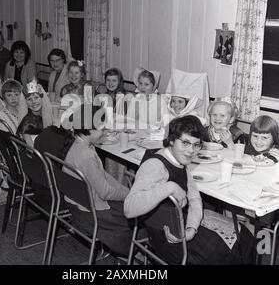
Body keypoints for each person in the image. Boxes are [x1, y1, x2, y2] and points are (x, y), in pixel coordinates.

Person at [124, 115, 254, 264]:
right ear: (171, 140)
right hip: (169, 241)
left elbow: (194, 198)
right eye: (185, 143)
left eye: (196, 144)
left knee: (243, 235)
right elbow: (129, 208)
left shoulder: (178, 160)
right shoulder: (155, 165)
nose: (191, 150)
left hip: (180, 228)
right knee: (231, 248)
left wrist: (192, 228)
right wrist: (169, 187)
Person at [60, 109, 133, 257]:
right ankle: (130, 252)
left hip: (78, 203)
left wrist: (127, 191)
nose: (104, 132)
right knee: (137, 218)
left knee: (126, 198)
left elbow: (103, 175)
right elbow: (105, 192)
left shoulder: (79, 143)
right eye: (102, 129)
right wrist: (130, 196)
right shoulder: (86, 155)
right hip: (90, 211)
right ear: (88, 129)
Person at [17, 79, 53, 147]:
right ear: (25, 102)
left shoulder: (44, 115)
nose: (33, 102)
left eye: (36, 97)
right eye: (29, 99)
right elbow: (31, 150)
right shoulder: (27, 123)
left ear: (42, 98)